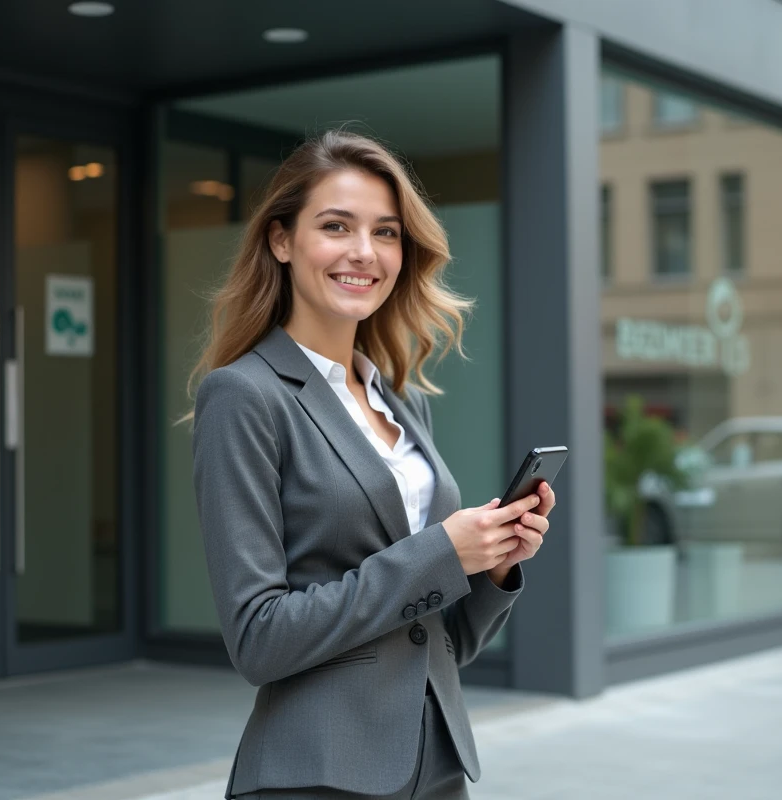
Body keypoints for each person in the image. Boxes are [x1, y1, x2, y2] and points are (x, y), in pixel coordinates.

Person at [189, 129, 556, 800]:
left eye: (386, 232)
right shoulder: (243, 396)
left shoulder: (400, 401)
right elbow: (258, 638)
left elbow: (436, 636)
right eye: (336, 226)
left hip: (436, 764)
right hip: (319, 772)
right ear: (281, 240)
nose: (364, 251)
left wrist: (494, 566)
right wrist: (442, 552)